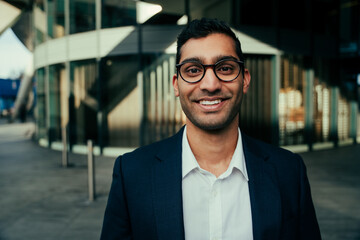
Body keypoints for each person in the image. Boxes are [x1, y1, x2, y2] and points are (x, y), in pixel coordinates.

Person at [100, 18, 321, 240]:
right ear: (177, 84)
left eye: (225, 68)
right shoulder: (132, 174)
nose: (210, 84)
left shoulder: (289, 172)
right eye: (194, 70)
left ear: (244, 80)